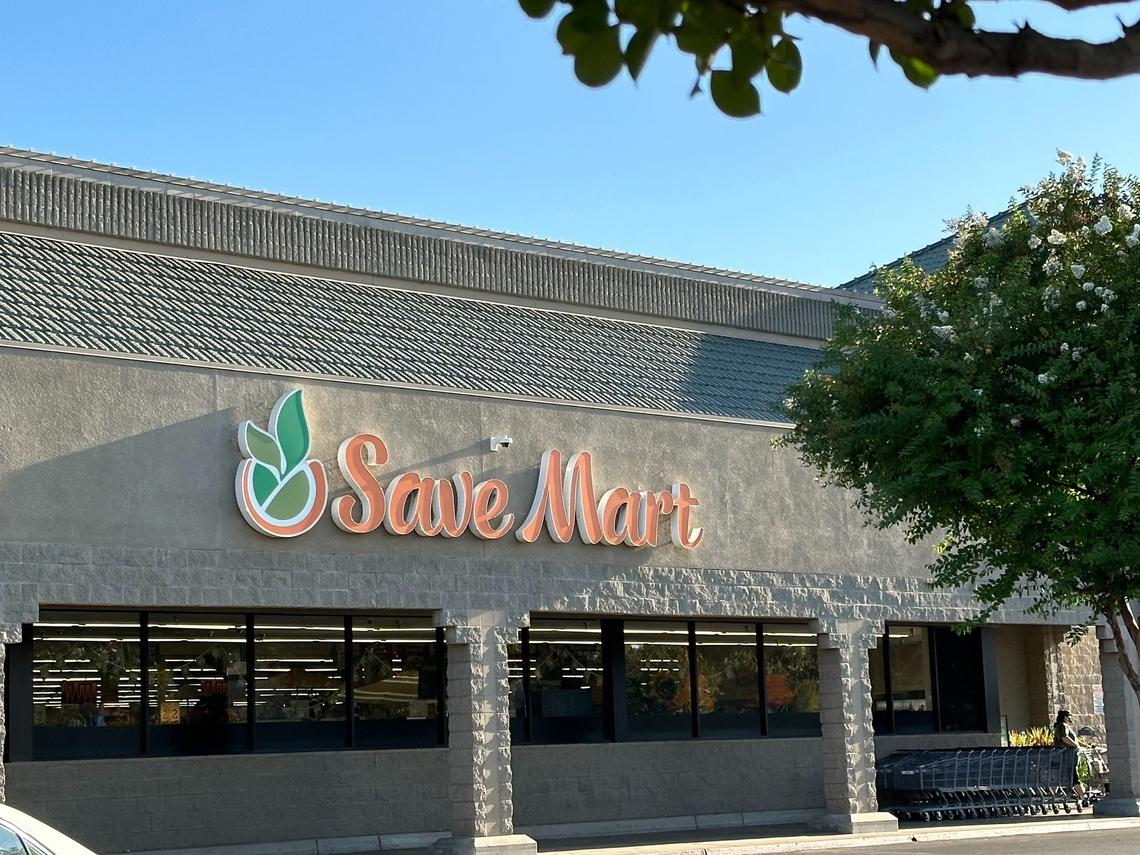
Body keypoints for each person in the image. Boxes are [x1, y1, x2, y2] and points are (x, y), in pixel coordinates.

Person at [1053, 709, 1087, 804]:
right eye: (1069, 716)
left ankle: (1052, 795)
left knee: (1064, 776)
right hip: (1066, 756)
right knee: (1073, 775)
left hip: (1068, 755)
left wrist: (1082, 745)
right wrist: (1075, 746)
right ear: (1065, 717)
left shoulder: (1064, 726)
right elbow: (1064, 738)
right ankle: (1083, 796)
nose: (1070, 718)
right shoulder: (1062, 726)